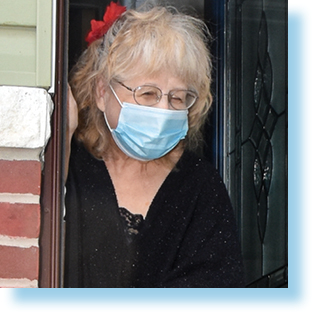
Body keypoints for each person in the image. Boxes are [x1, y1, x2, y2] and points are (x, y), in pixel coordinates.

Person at [64, 1, 244, 288]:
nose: (163, 110)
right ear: (102, 91)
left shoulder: (200, 187)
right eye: (147, 94)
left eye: (177, 98)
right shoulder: (69, 168)